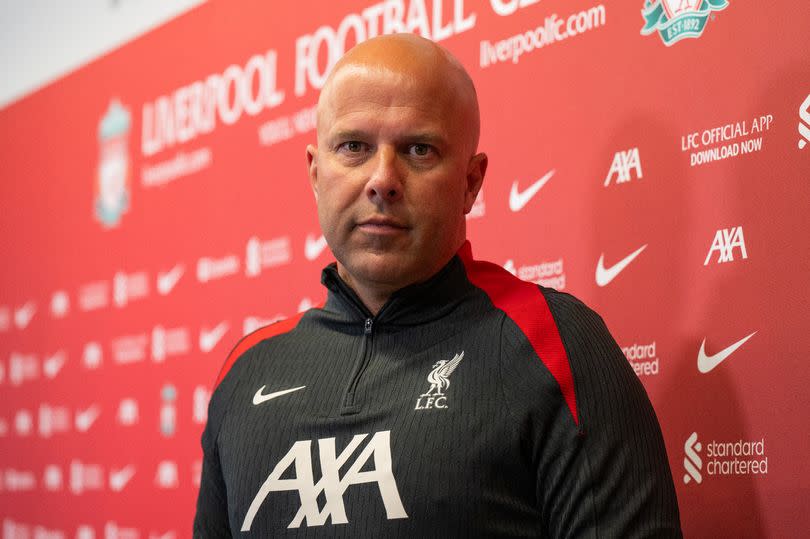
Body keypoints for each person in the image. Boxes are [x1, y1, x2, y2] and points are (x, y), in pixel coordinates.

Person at [194, 34, 682, 537]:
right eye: (354, 147)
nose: (382, 179)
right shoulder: (246, 371)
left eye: (419, 149)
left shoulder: (555, 343)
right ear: (316, 173)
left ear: (471, 181)